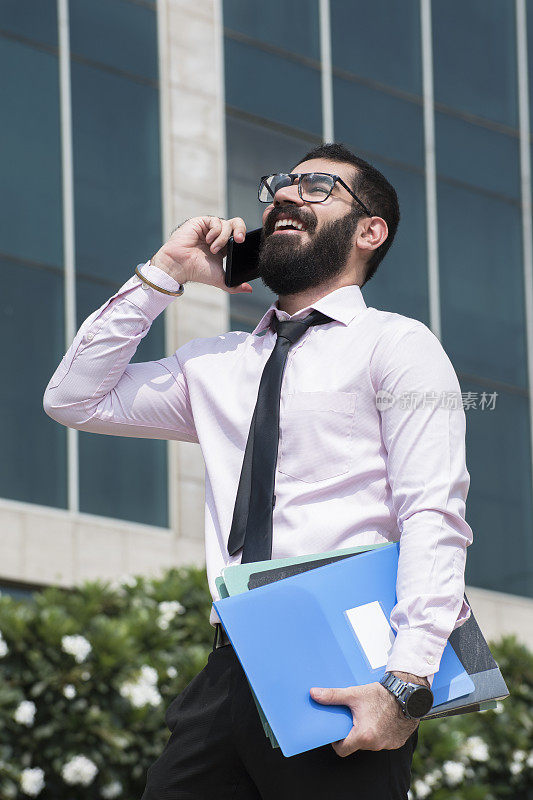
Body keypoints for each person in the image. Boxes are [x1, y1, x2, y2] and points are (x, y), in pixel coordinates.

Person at [43, 142, 473, 799]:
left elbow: (432, 519)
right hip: (229, 665)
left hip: (345, 667)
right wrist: (166, 273)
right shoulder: (214, 365)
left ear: (369, 231)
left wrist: (406, 683)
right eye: (281, 185)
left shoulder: (397, 346)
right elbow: (73, 398)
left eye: (317, 186)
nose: (286, 195)